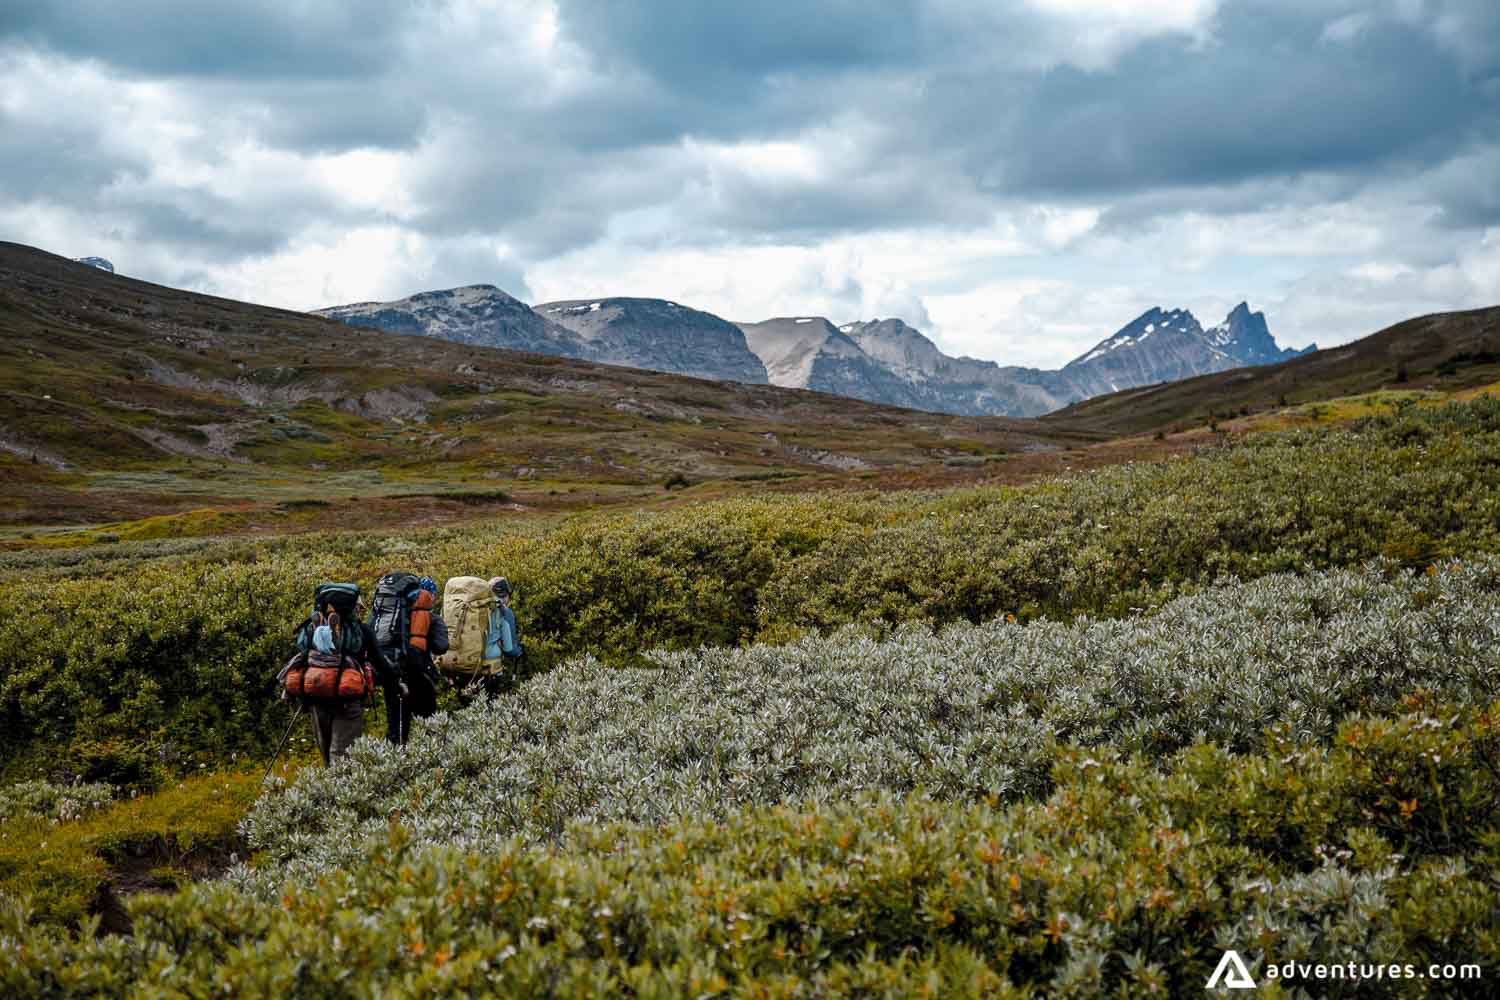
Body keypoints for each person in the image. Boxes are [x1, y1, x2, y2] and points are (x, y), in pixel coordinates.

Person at [383, 576, 449, 746]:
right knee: (428, 727)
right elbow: (441, 647)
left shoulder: (393, 618)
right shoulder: (433, 619)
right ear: (431, 596)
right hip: (421, 678)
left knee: (396, 728)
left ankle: (394, 756)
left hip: (394, 678)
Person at [481, 576, 523, 698]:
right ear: (506, 595)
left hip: (462, 664)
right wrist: (519, 651)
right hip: (489, 669)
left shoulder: (473, 607)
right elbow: (509, 649)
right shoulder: (504, 611)